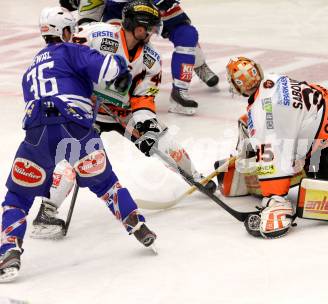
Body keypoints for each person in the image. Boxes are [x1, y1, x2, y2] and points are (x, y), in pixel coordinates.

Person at [31, 0, 216, 240]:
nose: (147, 34)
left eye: (150, 29)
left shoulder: (151, 59)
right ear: (128, 24)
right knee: (74, 156)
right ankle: (46, 211)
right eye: (142, 28)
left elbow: (144, 98)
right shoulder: (96, 35)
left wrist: (145, 126)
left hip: (124, 113)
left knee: (163, 141)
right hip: (89, 111)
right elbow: (69, 57)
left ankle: (194, 176)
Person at [0, 6, 156, 282]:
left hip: (36, 134)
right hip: (75, 127)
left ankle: (9, 250)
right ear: (66, 31)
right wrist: (121, 68)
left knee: (17, 196)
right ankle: (137, 224)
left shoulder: (30, 69)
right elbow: (110, 68)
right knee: (106, 183)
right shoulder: (72, 50)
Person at [223, 57, 328, 238]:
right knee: (251, 126)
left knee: (318, 186)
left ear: (238, 85)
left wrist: (275, 197)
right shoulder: (273, 80)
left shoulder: (262, 115)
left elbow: (270, 156)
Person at [60, 0, 219, 115]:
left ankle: (186, 81)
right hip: (117, 9)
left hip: (150, 4)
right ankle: (114, 87)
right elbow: (84, 31)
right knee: (108, 41)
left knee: (186, 34)